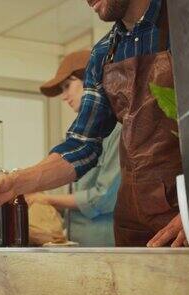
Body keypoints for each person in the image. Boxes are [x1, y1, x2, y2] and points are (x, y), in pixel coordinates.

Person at [0, 0, 186, 248]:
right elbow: (82, 144)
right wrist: (14, 183)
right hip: (132, 225)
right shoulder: (103, 53)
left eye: (68, 85)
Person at [27, 50, 121, 247]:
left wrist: (48, 200)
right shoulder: (80, 134)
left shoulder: (118, 131)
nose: (64, 96)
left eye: (67, 86)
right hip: (79, 247)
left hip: (107, 250)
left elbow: (104, 198)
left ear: (90, 79)